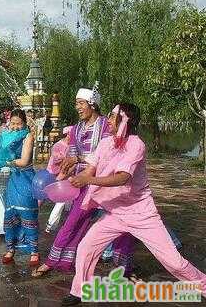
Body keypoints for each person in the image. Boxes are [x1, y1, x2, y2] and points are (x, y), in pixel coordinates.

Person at [61, 103, 206, 305]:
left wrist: (88, 181)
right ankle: (79, 290)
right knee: (86, 247)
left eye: (112, 117)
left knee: (174, 262)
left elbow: (122, 178)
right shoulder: (105, 143)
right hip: (115, 213)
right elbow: (90, 169)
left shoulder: (136, 145)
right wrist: (76, 178)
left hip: (141, 214)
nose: (108, 120)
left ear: (124, 121)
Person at [33, 85, 135, 277]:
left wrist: (78, 159)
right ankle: (54, 261)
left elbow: (107, 154)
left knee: (122, 225)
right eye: (76, 104)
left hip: (104, 183)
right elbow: (71, 155)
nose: (78, 107)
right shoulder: (77, 128)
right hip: (83, 183)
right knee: (72, 222)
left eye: (81, 103)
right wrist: (63, 174)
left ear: (92, 105)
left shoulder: (107, 125)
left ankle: (124, 268)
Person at [0, 109, 39, 266]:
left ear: (24, 124)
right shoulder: (9, 137)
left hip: (25, 180)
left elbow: (23, 161)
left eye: (19, 124)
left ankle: (34, 252)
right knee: (10, 216)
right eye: (13, 123)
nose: (15, 126)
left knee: (27, 216)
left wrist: (5, 162)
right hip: (13, 181)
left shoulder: (28, 137)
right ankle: (10, 249)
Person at [45, 126, 73, 233]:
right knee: (60, 200)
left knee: (68, 200)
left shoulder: (72, 146)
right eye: (72, 134)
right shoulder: (57, 146)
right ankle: (51, 225)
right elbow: (57, 160)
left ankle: (66, 224)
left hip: (66, 175)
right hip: (54, 175)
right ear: (67, 134)